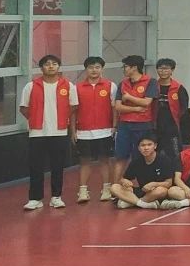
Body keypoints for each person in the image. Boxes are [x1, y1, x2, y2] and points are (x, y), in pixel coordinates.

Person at [19, 54, 80, 210]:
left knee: (57, 166)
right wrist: (36, 119)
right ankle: (35, 199)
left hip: (59, 132)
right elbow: (24, 108)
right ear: (41, 68)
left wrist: (61, 119)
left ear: (58, 67)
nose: (51, 66)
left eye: (54, 64)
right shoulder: (31, 86)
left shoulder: (68, 86)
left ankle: (56, 197)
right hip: (37, 133)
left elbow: (73, 106)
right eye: (47, 64)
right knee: (36, 167)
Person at [73, 56, 117, 203]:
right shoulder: (77, 87)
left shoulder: (110, 86)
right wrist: (73, 131)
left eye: (97, 67)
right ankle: (83, 191)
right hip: (83, 132)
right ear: (86, 69)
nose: (94, 70)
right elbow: (73, 111)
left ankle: (106, 189)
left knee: (105, 160)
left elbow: (115, 108)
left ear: (102, 69)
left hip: (105, 131)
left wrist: (114, 126)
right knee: (84, 161)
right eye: (91, 67)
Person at [109, 137, 174, 210]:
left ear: (155, 146)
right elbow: (123, 179)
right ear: (139, 148)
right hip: (142, 190)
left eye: (149, 145)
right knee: (114, 187)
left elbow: (169, 183)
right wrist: (125, 182)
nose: (146, 148)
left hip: (154, 191)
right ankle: (142, 204)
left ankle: (132, 202)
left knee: (162, 191)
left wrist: (154, 184)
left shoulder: (164, 160)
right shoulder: (136, 161)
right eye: (143, 145)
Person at [153, 58, 189, 158]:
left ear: (172, 70)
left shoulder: (179, 88)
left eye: (166, 69)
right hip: (155, 127)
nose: (163, 71)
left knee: (175, 154)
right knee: (155, 154)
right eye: (160, 68)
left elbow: (184, 108)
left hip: (172, 127)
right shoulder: (153, 86)